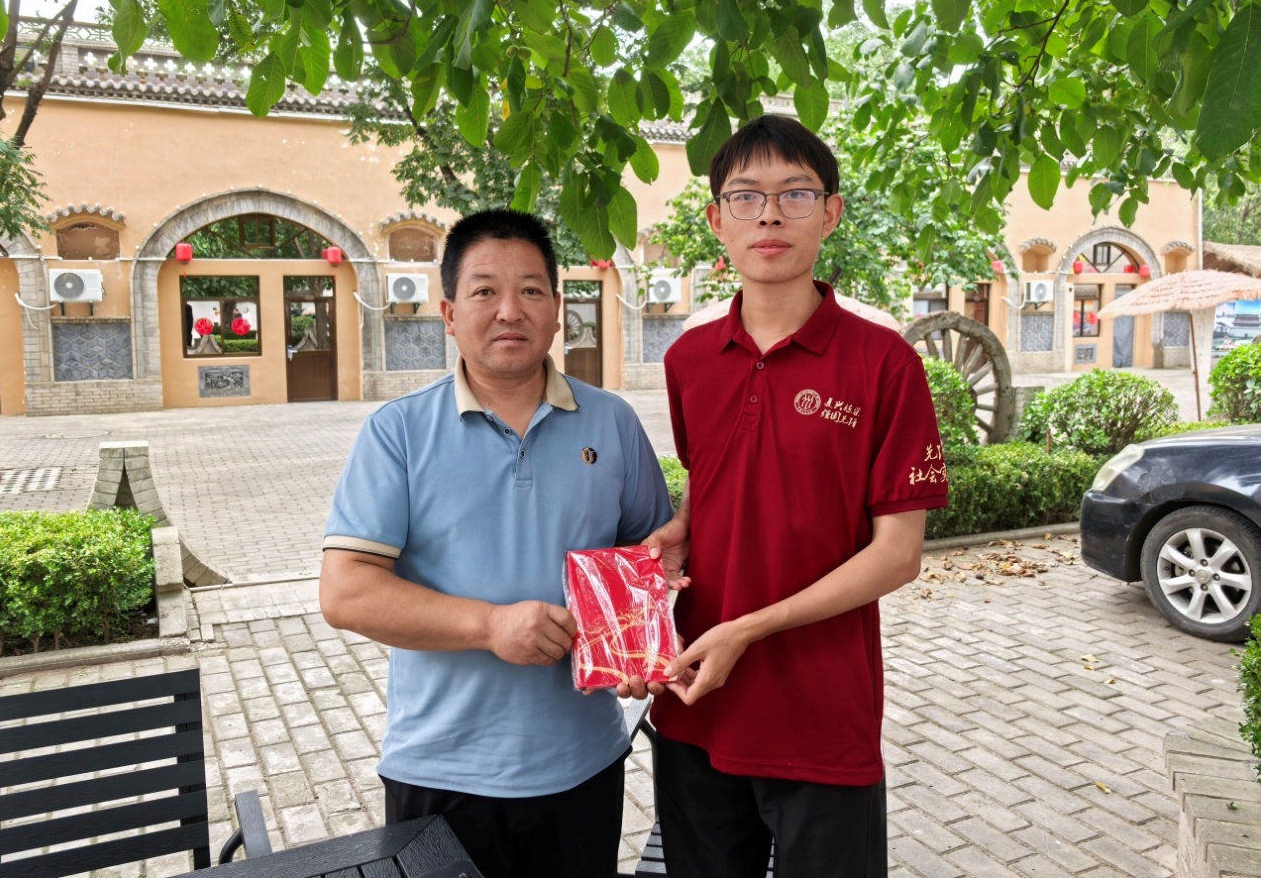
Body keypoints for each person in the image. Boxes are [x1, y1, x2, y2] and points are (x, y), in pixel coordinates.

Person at [634, 115, 949, 877]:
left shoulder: (885, 364)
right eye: (745, 196)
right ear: (717, 220)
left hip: (822, 716)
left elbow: (898, 554)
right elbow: (718, 474)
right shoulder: (688, 359)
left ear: (830, 212)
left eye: (795, 194)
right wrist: (684, 524)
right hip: (696, 702)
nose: (769, 215)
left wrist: (751, 627)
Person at [320, 208, 673, 878]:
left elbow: (645, 562)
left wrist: (638, 648)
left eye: (531, 289)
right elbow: (346, 592)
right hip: (440, 771)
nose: (510, 309)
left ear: (557, 310)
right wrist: (490, 625)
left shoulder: (614, 423)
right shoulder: (398, 431)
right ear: (449, 314)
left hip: (583, 762)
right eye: (485, 290)